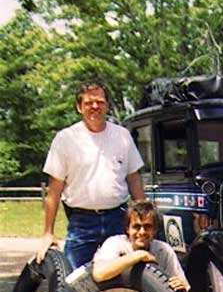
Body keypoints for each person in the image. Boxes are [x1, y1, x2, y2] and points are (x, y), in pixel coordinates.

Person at [36, 82, 145, 268]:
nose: (95, 107)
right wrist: (48, 233)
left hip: (118, 218)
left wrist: (143, 217)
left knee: (126, 277)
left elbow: (134, 180)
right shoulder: (65, 139)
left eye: (100, 102)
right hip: (81, 223)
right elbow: (53, 192)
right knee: (72, 284)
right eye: (89, 103)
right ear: (79, 107)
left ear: (107, 106)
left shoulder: (123, 136)